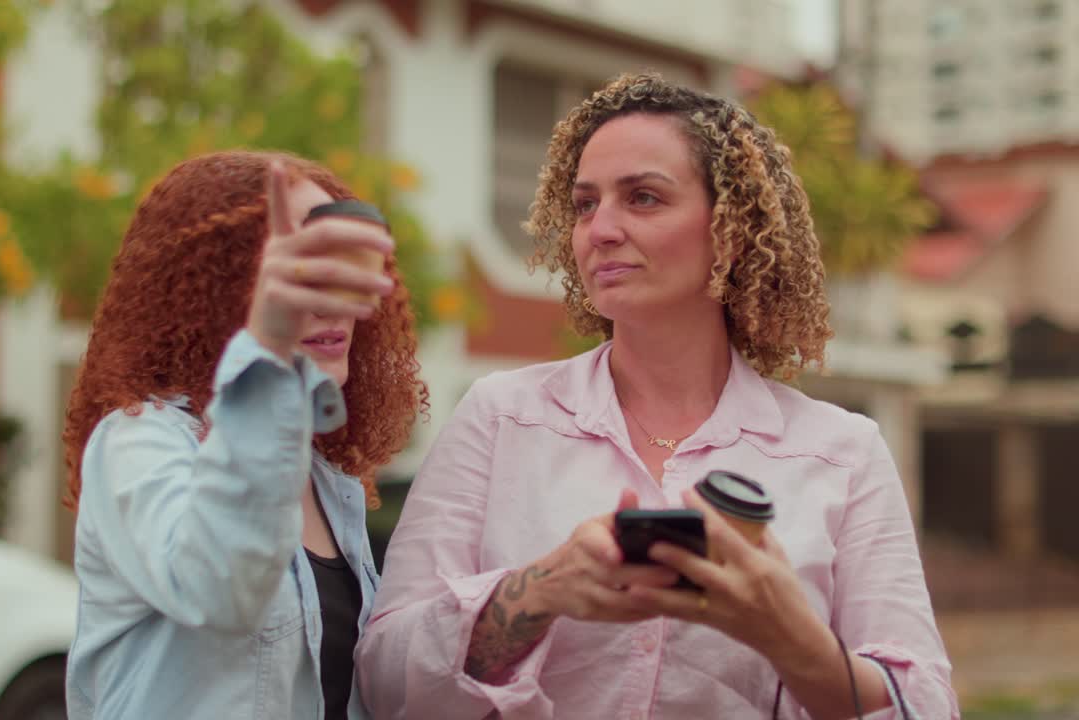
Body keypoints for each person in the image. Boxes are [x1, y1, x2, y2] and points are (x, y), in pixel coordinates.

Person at [356, 73, 956, 719]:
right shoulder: (499, 416)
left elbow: (924, 704)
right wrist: (541, 590)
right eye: (586, 204)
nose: (601, 229)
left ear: (729, 228)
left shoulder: (843, 454)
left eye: (643, 198)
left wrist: (790, 636)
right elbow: (385, 678)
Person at [61, 150, 425, 719]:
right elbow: (218, 588)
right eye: (296, 267)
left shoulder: (331, 482)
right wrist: (267, 353)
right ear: (211, 289)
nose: (330, 299)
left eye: (335, 262)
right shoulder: (136, 442)